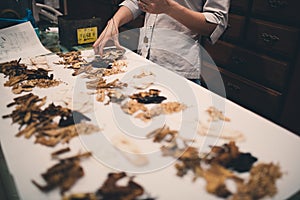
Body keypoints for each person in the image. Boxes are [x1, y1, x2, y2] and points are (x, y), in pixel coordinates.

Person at [93, 0, 230, 83]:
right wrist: (115, 21)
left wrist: (169, 8)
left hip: (179, 71)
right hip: (143, 63)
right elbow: (137, 2)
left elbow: (215, 23)